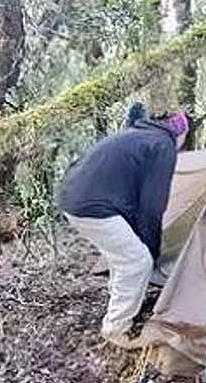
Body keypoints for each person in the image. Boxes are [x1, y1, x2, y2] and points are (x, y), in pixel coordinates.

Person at [56, 109, 188, 347]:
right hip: (92, 206)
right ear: (180, 135)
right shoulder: (163, 146)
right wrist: (152, 252)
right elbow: (152, 206)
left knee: (123, 254)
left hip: (71, 196)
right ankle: (116, 329)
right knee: (137, 261)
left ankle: (120, 299)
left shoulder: (138, 133)